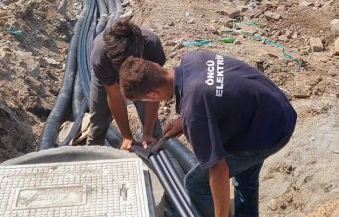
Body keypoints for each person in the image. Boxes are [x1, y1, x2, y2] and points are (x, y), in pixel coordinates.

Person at [120, 51, 297, 217]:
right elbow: (216, 95)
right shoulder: (193, 59)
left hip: (269, 132)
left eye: (148, 99)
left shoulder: (194, 113)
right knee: (245, 177)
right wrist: (183, 120)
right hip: (275, 109)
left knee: (196, 184)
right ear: (155, 65)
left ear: (152, 93)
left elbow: (218, 169)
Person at [88, 17, 165, 150]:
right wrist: (126, 136)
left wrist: (147, 133)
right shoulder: (100, 56)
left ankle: (155, 157)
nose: (125, 71)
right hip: (109, 75)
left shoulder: (152, 47)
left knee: (153, 132)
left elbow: (153, 95)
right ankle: (92, 154)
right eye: (121, 64)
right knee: (98, 123)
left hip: (142, 76)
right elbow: (115, 97)